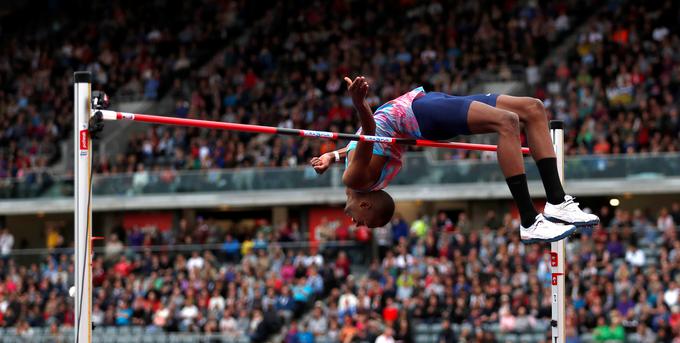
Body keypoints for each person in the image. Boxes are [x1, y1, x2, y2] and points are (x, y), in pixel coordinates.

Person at [311, 76, 599, 243]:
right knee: (508, 122)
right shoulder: (357, 179)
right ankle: (529, 220)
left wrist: (332, 155)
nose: (356, 224)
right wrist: (360, 105)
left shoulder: (356, 174)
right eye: (365, 223)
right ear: (365, 203)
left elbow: (356, 148)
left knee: (533, 109)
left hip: (421, 105)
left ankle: (558, 203)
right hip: (421, 115)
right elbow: (369, 132)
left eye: (364, 225)